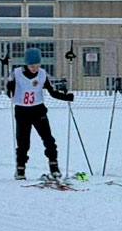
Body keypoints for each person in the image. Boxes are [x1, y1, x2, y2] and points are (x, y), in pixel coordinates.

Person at [7, 47, 74, 180]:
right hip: (22, 111)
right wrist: (10, 86)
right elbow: (10, 93)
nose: (35, 68)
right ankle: (20, 169)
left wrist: (66, 97)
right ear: (26, 64)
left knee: (48, 139)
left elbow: (52, 92)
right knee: (23, 142)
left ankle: (54, 167)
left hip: (38, 111)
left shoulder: (43, 74)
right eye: (32, 65)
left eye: (37, 65)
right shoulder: (17, 73)